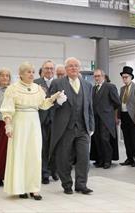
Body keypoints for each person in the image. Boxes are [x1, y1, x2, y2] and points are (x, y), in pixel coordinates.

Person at [0, 61, 65, 200]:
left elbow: (43, 105)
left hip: (34, 124)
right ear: (21, 74)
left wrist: (53, 98)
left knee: (34, 155)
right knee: (20, 155)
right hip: (19, 124)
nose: (31, 74)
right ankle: (20, 187)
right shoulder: (12, 89)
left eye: (33, 72)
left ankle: (34, 188)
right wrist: (8, 125)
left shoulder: (38, 88)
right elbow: (7, 109)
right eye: (28, 72)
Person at [49, 57, 94, 195]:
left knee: (84, 158)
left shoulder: (87, 85)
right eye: (70, 66)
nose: (73, 68)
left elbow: (90, 108)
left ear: (79, 68)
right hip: (65, 128)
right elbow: (48, 104)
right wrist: (58, 103)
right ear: (66, 69)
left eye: (76, 66)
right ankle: (67, 184)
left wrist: (91, 126)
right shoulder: (57, 83)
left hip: (83, 128)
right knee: (64, 158)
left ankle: (81, 185)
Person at [34, 60, 58, 184]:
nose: (49, 71)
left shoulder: (59, 82)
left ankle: (54, 171)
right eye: (46, 68)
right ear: (42, 70)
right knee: (43, 148)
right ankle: (44, 173)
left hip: (56, 119)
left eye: (51, 68)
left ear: (54, 70)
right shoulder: (36, 83)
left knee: (55, 147)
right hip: (41, 119)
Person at [90, 69, 120, 169]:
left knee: (105, 139)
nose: (97, 78)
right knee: (97, 139)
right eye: (95, 76)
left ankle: (108, 160)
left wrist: (109, 111)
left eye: (98, 76)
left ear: (103, 76)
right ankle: (100, 159)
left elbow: (117, 102)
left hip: (106, 118)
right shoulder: (93, 88)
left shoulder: (110, 87)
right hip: (95, 118)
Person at [118, 66, 135, 167]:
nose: (124, 79)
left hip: (134, 117)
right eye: (123, 77)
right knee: (127, 139)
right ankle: (129, 158)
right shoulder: (122, 89)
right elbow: (120, 104)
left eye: (126, 77)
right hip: (125, 116)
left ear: (131, 77)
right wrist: (119, 117)